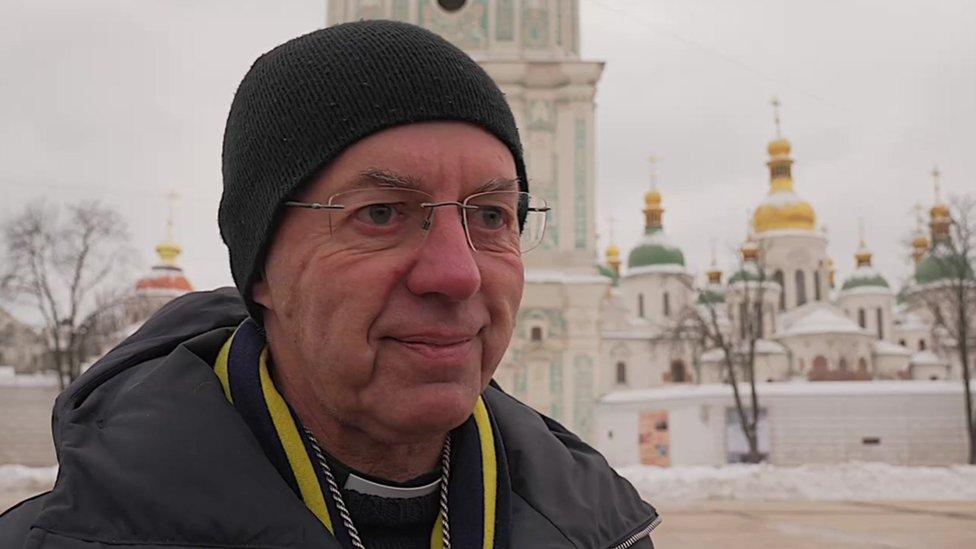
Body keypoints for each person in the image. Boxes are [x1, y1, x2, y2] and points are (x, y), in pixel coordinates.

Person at [0, 20, 658, 549]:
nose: (458, 273)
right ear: (262, 267)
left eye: (491, 215)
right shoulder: (70, 536)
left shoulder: (600, 530)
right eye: (381, 214)